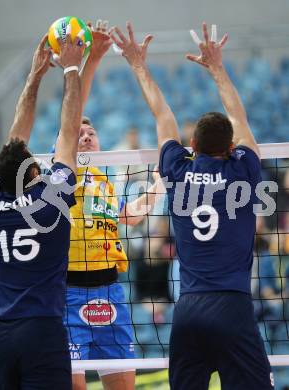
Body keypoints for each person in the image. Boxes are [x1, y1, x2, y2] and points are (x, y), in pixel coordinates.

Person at [111, 21, 274, 389]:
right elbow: (240, 120)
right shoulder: (244, 170)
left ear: (193, 147)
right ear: (231, 148)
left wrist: (138, 65)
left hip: (189, 308)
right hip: (232, 306)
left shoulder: (177, 171)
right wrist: (217, 68)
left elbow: (163, 117)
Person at [0, 31, 84, 390]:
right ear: (34, 172)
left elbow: (15, 140)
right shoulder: (50, 199)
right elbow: (69, 134)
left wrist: (34, 76)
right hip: (40, 328)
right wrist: (72, 69)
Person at [61, 21, 163, 390]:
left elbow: (127, 217)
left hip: (110, 292)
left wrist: (157, 188)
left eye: (92, 133)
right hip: (67, 293)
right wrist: (93, 58)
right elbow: (71, 123)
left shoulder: (105, 182)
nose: (86, 136)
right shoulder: (64, 171)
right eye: (80, 133)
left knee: (123, 385)